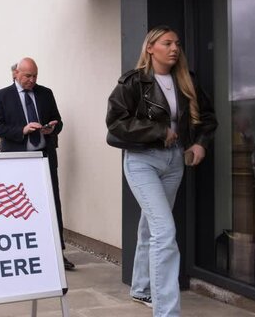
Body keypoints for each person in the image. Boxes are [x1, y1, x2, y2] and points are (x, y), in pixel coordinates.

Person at [106, 25, 217, 316]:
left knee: (151, 226)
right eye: (167, 43)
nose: (174, 48)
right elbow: (115, 123)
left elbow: (207, 118)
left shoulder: (186, 81)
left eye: (177, 43)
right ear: (150, 47)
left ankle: (141, 287)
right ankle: (167, 312)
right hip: (142, 161)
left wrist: (200, 144)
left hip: (174, 162)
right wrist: (158, 131)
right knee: (165, 231)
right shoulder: (133, 83)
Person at [0, 57, 75, 272]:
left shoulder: (45, 93)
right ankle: (22, 252)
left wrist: (52, 128)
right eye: (28, 76)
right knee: (18, 205)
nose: (32, 80)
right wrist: (23, 130)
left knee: (51, 203)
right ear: (16, 73)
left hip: (44, 156)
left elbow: (59, 121)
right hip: (17, 158)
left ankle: (57, 251)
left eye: (35, 76)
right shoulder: (2, 96)